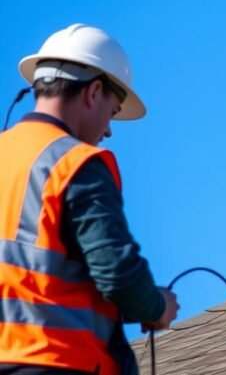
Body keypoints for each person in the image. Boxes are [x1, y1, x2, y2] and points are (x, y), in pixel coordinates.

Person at [0, 24, 178, 374]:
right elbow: (116, 271)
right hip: (57, 362)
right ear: (94, 92)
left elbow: (31, 283)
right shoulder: (73, 163)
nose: (109, 131)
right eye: (112, 113)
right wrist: (156, 307)